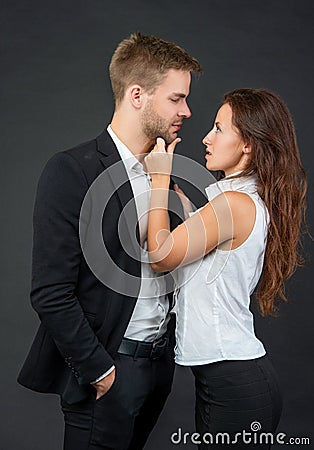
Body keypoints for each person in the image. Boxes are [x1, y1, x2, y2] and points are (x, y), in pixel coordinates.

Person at [17, 32, 201, 450]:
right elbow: (50, 291)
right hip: (108, 370)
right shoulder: (71, 170)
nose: (187, 111)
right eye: (176, 99)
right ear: (137, 94)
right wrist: (101, 370)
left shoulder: (168, 174)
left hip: (158, 369)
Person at [145, 88, 307, 449]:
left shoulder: (234, 204)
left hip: (235, 385)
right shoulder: (238, 199)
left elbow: (161, 254)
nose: (206, 137)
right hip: (229, 380)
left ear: (248, 143)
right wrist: (175, 198)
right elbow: (201, 249)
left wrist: (158, 180)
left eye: (219, 128)